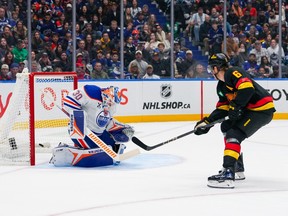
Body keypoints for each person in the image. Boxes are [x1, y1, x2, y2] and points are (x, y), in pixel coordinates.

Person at [194, 53, 275, 189]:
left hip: (261, 109)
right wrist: (207, 122)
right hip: (250, 110)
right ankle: (237, 168)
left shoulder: (233, 72)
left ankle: (228, 173)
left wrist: (236, 106)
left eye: (212, 67)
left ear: (216, 68)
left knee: (233, 134)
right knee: (226, 127)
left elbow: (247, 88)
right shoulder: (221, 87)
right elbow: (223, 108)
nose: (211, 71)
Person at [50, 85, 135, 167]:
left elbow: (105, 122)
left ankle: (80, 148)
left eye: (113, 103)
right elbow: (68, 101)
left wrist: (118, 128)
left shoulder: (112, 106)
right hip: (81, 132)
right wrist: (79, 118)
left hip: (99, 134)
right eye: (110, 101)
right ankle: (65, 152)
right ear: (106, 96)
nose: (111, 104)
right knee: (98, 153)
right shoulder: (92, 92)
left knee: (114, 147)